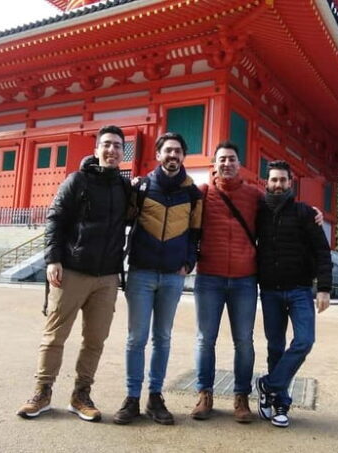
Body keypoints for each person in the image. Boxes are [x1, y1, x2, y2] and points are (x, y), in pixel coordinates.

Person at [17, 125, 131, 423]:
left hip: (107, 276)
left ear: (123, 152)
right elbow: (55, 218)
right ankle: (42, 391)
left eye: (118, 146)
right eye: (106, 144)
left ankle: (81, 394)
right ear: (96, 149)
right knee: (55, 335)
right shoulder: (77, 181)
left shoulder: (124, 187)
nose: (112, 150)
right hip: (72, 270)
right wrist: (53, 259)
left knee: (95, 339)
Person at [113, 132, 203, 426]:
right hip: (141, 272)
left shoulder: (192, 194)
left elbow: (195, 232)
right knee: (136, 338)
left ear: (183, 156)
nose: (173, 156)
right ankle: (131, 397)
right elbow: (122, 219)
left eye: (178, 151)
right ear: (158, 154)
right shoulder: (141, 186)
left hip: (173, 276)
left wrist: (189, 262)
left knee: (162, 338)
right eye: (168, 151)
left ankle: (155, 395)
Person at [255, 160, 332, 428]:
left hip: (299, 290)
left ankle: (267, 385)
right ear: (267, 182)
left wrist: (323, 288)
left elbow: (322, 251)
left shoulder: (304, 213)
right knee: (275, 346)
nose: (278, 185)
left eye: (283, 180)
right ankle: (279, 403)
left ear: (291, 183)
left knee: (304, 340)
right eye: (273, 180)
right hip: (270, 290)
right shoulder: (259, 211)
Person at [189, 142, 260, 423]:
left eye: (232, 159)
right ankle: (204, 394)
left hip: (244, 279)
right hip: (209, 277)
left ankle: (241, 397)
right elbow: (173, 202)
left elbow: (282, 210)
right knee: (205, 339)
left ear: (239, 164)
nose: (227, 163)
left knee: (244, 341)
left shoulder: (255, 196)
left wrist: (311, 213)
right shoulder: (203, 194)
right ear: (214, 165)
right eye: (222, 160)